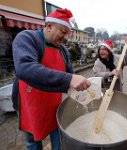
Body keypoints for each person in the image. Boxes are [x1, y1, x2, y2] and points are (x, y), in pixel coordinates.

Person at [12, 8, 90, 150]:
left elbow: (71, 75)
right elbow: (25, 68)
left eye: (68, 33)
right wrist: (69, 79)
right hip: (30, 105)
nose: (66, 37)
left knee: (58, 139)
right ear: (49, 26)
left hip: (54, 105)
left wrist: (85, 94)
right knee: (32, 142)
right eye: (63, 32)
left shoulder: (63, 50)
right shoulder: (27, 38)